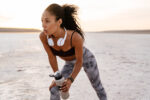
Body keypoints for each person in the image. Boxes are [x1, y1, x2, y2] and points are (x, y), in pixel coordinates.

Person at [39, 3, 107, 100]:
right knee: (54, 89)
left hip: (86, 59)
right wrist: (58, 79)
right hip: (70, 63)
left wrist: (70, 80)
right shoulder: (43, 37)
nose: (43, 25)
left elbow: (79, 62)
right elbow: (51, 57)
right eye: (42, 21)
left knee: (97, 86)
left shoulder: (75, 37)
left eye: (47, 21)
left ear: (59, 22)